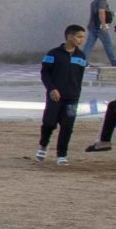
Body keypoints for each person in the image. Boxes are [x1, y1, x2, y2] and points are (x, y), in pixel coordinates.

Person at [38, 25, 87, 164]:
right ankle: (43, 144)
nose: (81, 40)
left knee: (67, 126)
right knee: (49, 123)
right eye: (79, 36)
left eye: (83, 37)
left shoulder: (81, 56)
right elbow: (45, 73)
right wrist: (52, 89)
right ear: (69, 36)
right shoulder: (53, 54)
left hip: (72, 98)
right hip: (55, 96)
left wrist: (76, 93)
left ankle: (62, 154)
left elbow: (79, 77)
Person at [85, 0, 116, 69]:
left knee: (89, 45)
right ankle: (114, 62)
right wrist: (104, 25)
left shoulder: (94, 1)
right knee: (108, 45)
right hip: (100, 27)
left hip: (93, 27)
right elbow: (101, 13)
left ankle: (83, 61)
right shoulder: (102, 2)